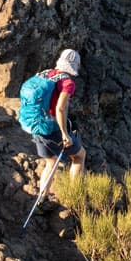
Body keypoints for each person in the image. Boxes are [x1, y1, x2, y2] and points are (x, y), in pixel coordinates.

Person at [34, 49, 86, 193]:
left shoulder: (44, 74)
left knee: (51, 161)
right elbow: (61, 108)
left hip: (37, 124)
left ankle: (41, 199)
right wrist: (65, 134)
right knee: (79, 156)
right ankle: (75, 194)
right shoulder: (67, 83)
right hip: (53, 127)